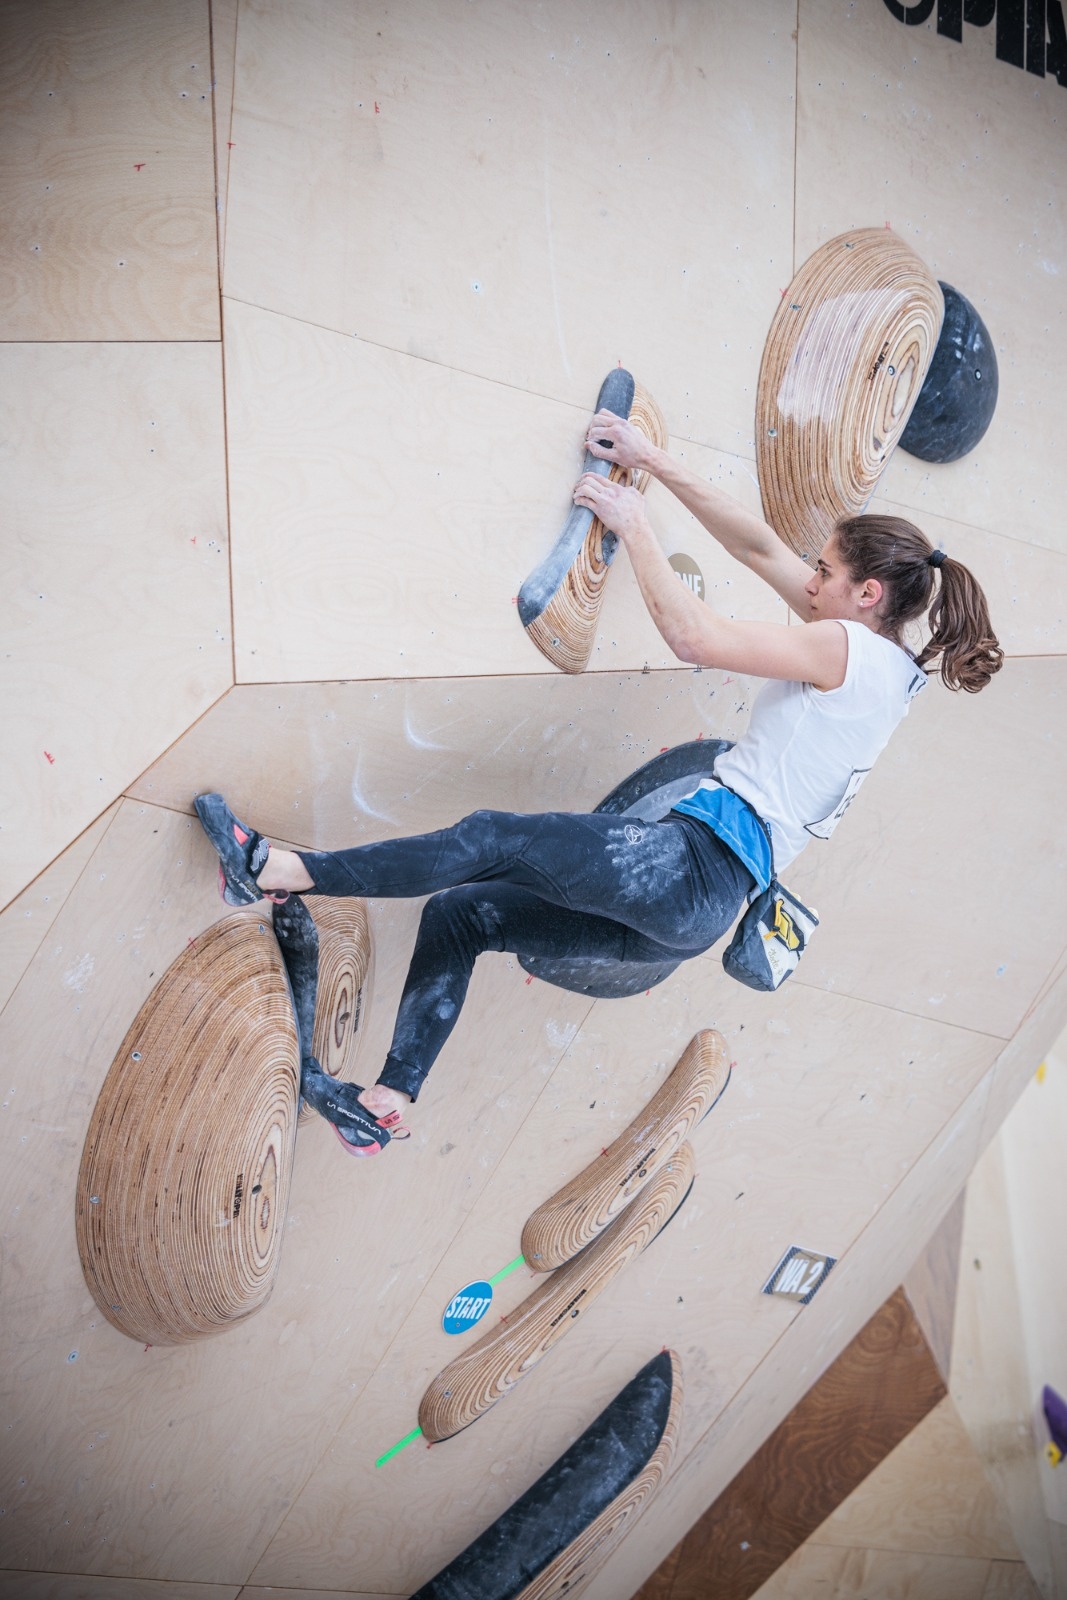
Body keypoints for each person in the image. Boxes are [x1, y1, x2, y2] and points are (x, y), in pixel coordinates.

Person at [196, 408, 1002, 1154]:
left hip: (689, 870)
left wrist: (633, 521)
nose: (809, 581)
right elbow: (757, 548)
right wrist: (654, 461)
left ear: (866, 593)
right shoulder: (888, 667)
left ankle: (276, 872)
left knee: (489, 837)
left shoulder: (845, 651)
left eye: (824, 572)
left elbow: (692, 637)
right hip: (688, 918)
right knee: (461, 915)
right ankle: (388, 1100)